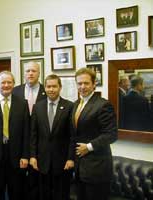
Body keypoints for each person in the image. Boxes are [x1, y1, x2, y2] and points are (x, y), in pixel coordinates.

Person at [0, 71, 29, 200]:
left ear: (13, 84)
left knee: (16, 191)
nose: (6, 85)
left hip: (16, 156)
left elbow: (26, 132)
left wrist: (25, 155)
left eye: (9, 82)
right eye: (3, 82)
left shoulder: (23, 103)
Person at [71, 67, 117, 200]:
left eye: (86, 83)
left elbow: (111, 134)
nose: (82, 87)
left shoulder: (103, 105)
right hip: (80, 168)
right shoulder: (76, 105)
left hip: (97, 169)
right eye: (79, 83)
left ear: (94, 85)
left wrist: (89, 147)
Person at [30, 74, 74, 200]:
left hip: (62, 162)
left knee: (61, 194)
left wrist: (70, 158)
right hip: (41, 161)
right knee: (44, 194)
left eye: (54, 86)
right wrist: (32, 156)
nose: (51, 89)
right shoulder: (37, 107)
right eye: (48, 86)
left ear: (60, 87)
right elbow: (33, 134)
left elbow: (72, 136)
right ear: (45, 88)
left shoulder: (69, 106)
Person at [13, 61, 46, 200]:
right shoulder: (15, 91)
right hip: (19, 143)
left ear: (39, 73)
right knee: (18, 184)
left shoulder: (47, 90)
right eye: (28, 71)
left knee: (37, 183)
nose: (30, 73)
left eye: (34, 71)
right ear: (24, 73)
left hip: (41, 143)